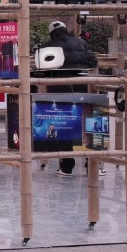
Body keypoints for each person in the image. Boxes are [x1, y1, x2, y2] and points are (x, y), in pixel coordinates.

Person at [43, 20, 94, 174]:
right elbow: (93, 62)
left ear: (51, 33)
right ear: (66, 30)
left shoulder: (47, 47)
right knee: (86, 126)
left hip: (59, 92)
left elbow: (43, 69)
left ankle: (67, 166)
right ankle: (92, 165)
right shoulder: (82, 43)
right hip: (83, 89)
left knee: (64, 126)